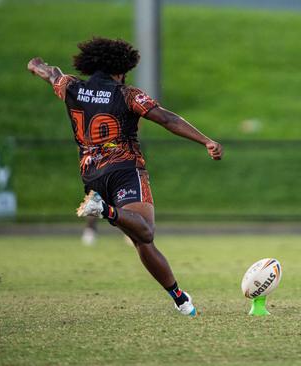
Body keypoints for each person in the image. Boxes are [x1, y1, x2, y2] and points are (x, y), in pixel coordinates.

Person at [27, 37, 223, 315]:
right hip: (124, 170)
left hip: (92, 176)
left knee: (140, 240)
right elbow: (167, 119)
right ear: (119, 69)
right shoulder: (127, 94)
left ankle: (180, 298)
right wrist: (206, 141)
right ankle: (104, 209)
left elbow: (53, 74)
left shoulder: (71, 86)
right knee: (145, 232)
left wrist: (37, 66)